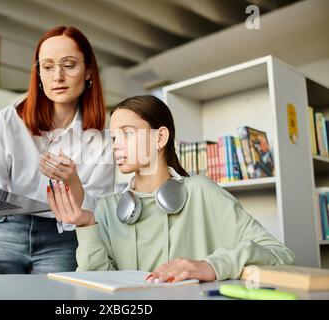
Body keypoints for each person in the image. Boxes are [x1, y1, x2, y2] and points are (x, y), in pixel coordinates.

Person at [47, 95, 295, 283]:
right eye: (113, 138)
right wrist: (86, 226)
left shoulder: (200, 192)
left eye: (127, 134)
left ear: (160, 138)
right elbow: (98, 285)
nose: (116, 146)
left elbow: (281, 254)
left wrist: (211, 266)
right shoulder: (107, 208)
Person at [0, 26, 115, 274]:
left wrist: (75, 186)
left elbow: (100, 212)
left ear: (88, 69)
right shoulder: (9, 120)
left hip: (63, 237)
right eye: (47, 67)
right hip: (7, 229)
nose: (57, 76)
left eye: (69, 64)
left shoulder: (102, 138)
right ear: (38, 74)